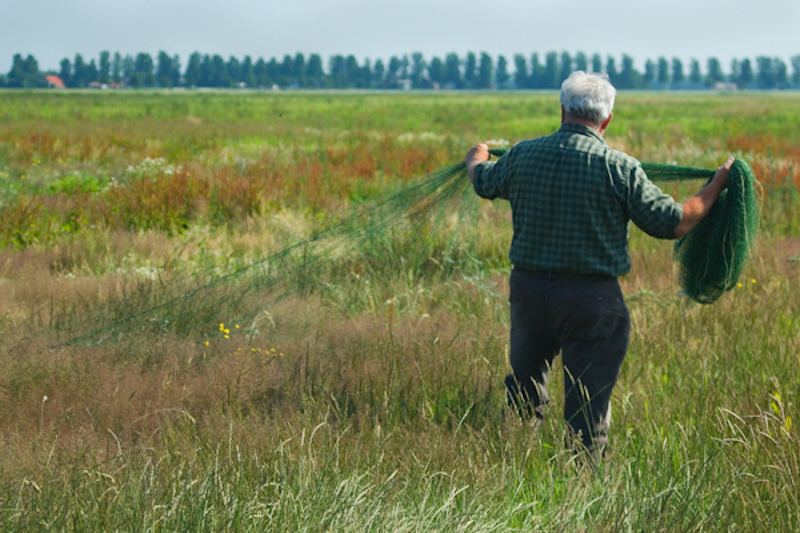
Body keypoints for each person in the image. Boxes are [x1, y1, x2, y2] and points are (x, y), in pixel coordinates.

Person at [465, 70, 733, 454]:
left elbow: (482, 181)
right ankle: (581, 487)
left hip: (528, 292)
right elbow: (675, 222)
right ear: (606, 120)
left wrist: (476, 158)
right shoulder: (620, 168)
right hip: (592, 300)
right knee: (587, 411)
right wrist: (718, 183)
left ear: (562, 111)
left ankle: (515, 468)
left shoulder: (522, 155)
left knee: (524, 392)